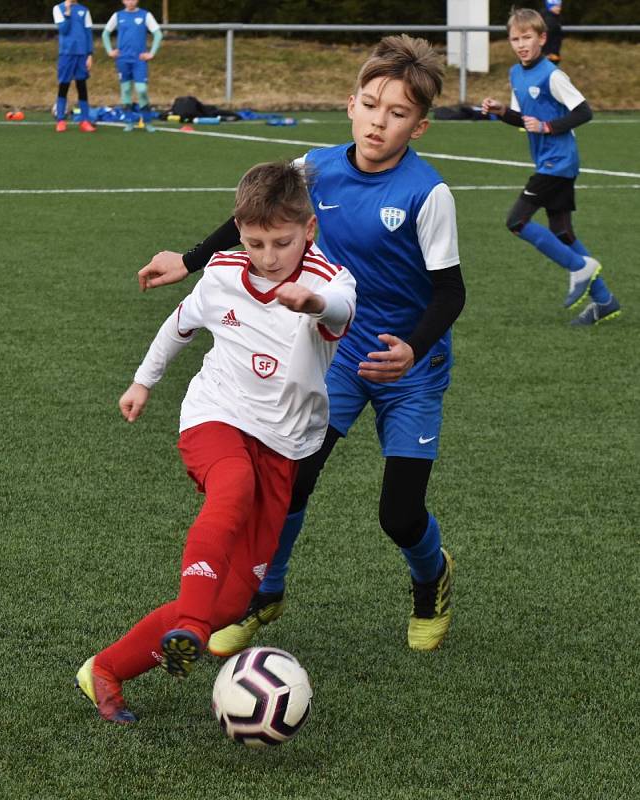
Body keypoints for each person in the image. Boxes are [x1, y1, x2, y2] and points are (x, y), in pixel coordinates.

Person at [137, 35, 467, 654]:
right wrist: (188, 260)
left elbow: (450, 294)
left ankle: (432, 578)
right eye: (372, 105)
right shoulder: (314, 166)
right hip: (336, 354)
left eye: (398, 114)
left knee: (398, 514)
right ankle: (266, 594)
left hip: (409, 367)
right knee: (292, 477)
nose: (380, 122)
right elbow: (253, 216)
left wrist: (414, 350)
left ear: (419, 127)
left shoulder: (429, 195)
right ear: (351, 104)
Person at [74, 161, 356, 723]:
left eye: (282, 242)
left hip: (285, 445)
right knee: (231, 488)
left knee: (233, 602)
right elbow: (181, 323)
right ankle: (192, 628)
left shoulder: (329, 282)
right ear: (240, 232)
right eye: (256, 242)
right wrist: (142, 382)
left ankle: (104, 670)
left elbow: (342, 310)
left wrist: (312, 303)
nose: (270, 256)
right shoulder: (225, 271)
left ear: (309, 231)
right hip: (216, 415)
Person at [482, 8, 621, 326]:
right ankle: (604, 300)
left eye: (527, 37)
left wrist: (548, 127)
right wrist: (502, 110)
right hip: (548, 162)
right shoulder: (516, 74)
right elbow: (522, 120)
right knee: (561, 231)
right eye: (515, 39)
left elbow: (584, 112)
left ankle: (579, 268)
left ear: (542, 38)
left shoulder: (552, 75)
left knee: (516, 221)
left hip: (559, 162)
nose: (521, 44)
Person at [102, 0, 163, 132]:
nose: (130, 1)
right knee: (126, 90)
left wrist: (151, 53)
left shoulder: (145, 15)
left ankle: (147, 121)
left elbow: (158, 34)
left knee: (141, 90)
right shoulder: (117, 15)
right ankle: (129, 121)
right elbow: (105, 33)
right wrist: (109, 50)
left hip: (139, 60)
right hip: (123, 59)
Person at [52, 0, 96, 133]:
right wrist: (67, 13)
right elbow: (63, 30)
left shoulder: (84, 10)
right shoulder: (58, 8)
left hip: (82, 54)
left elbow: (88, 33)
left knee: (82, 86)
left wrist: (89, 54)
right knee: (64, 85)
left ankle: (85, 121)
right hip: (66, 54)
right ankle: (60, 120)